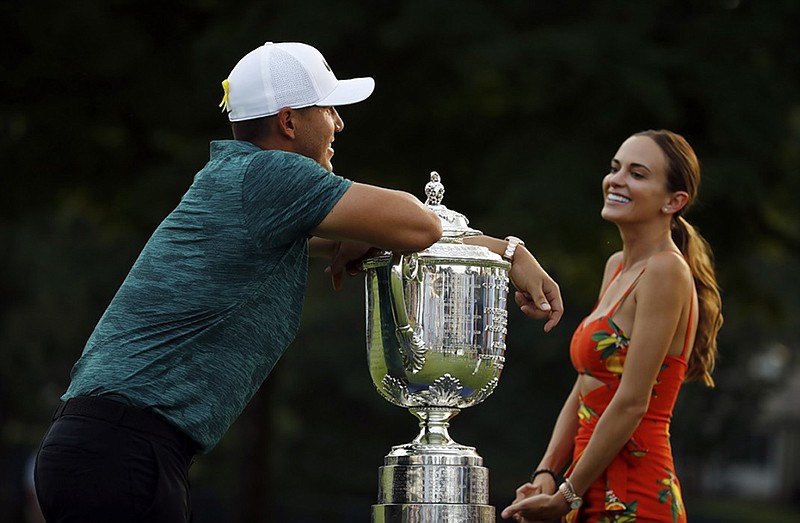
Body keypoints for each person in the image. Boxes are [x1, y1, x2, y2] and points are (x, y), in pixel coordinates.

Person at [34, 41, 563, 523]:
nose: (338, 123)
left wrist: (501, 251)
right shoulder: (275, 177)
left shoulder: (240, 180)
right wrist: (503, 247)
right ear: (289, 121)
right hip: (123, 451)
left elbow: (388, 234)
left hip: (111, 448)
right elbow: (420, 225)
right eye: (328, 109)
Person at [501, 129, 723, 523]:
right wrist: (548, 474)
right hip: (585, 481)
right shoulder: (617, 266)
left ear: (674, 201)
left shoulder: (666, 271)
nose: (617, 180)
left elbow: (633, 401)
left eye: (637, 174)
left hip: (634, 492)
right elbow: (586, 383)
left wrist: (568, 493)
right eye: (615, 168)